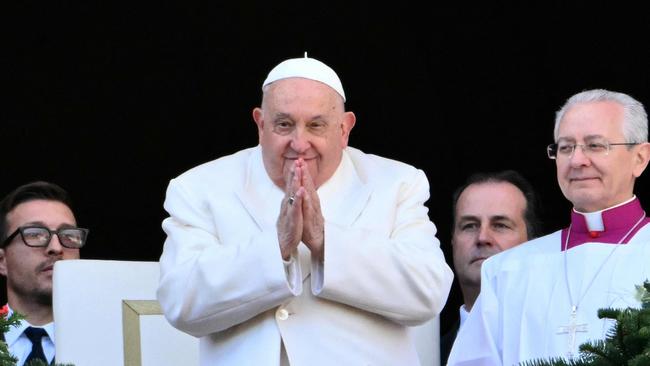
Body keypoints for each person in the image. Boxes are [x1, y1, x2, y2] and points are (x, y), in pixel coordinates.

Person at [156, 54, 454, 365]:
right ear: (260, 124)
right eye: (284, 125)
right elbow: (181, 302)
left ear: (344, 129)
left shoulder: (397, 184)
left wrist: (326, 241)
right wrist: (276, 248)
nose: (299, 143)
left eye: (316, 125)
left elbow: (428, 292)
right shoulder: (200, 187)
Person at [447, 89, 650, 365]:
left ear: (639, 157)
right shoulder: (506, 271)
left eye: (595, 145)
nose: (577, 160)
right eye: (566, 147)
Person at [439, 170, 542, 365]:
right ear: (452, 240)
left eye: (500, 225)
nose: (483, 238)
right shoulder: (425, 355)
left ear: (533, 244)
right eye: (469, 225)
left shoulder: (557, 340)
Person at [0, 181, 88, 365]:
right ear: (2, 261)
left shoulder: (109, 339)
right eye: (35, 233)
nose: (56, 247)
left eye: (69, 235)